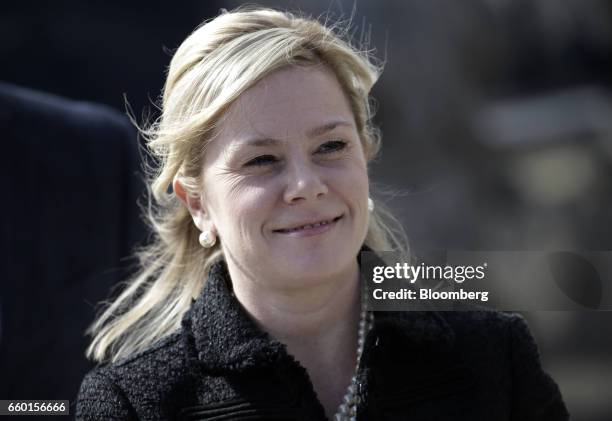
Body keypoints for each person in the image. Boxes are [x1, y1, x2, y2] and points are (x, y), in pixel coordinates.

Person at [76, 7, 569, 420]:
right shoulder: (135, 407)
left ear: (365, 156)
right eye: (261, 160)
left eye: (330, 146)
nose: (306, 186)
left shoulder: (494, 360)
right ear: (199, 204)